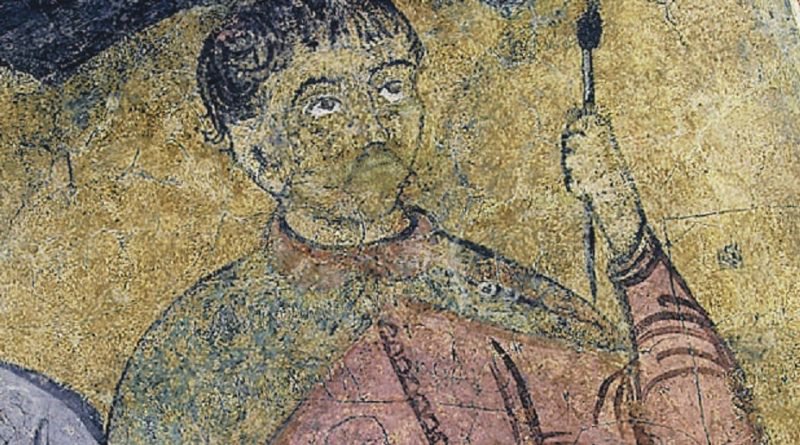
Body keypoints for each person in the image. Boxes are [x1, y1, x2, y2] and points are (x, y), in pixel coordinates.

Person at [106, 0, 761, 443]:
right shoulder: (195, 350)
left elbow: (700, 433)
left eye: (392, 88)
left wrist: (627, 236)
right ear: (255, 150)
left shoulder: (510, 300)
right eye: (324, 105)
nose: (374, 123)